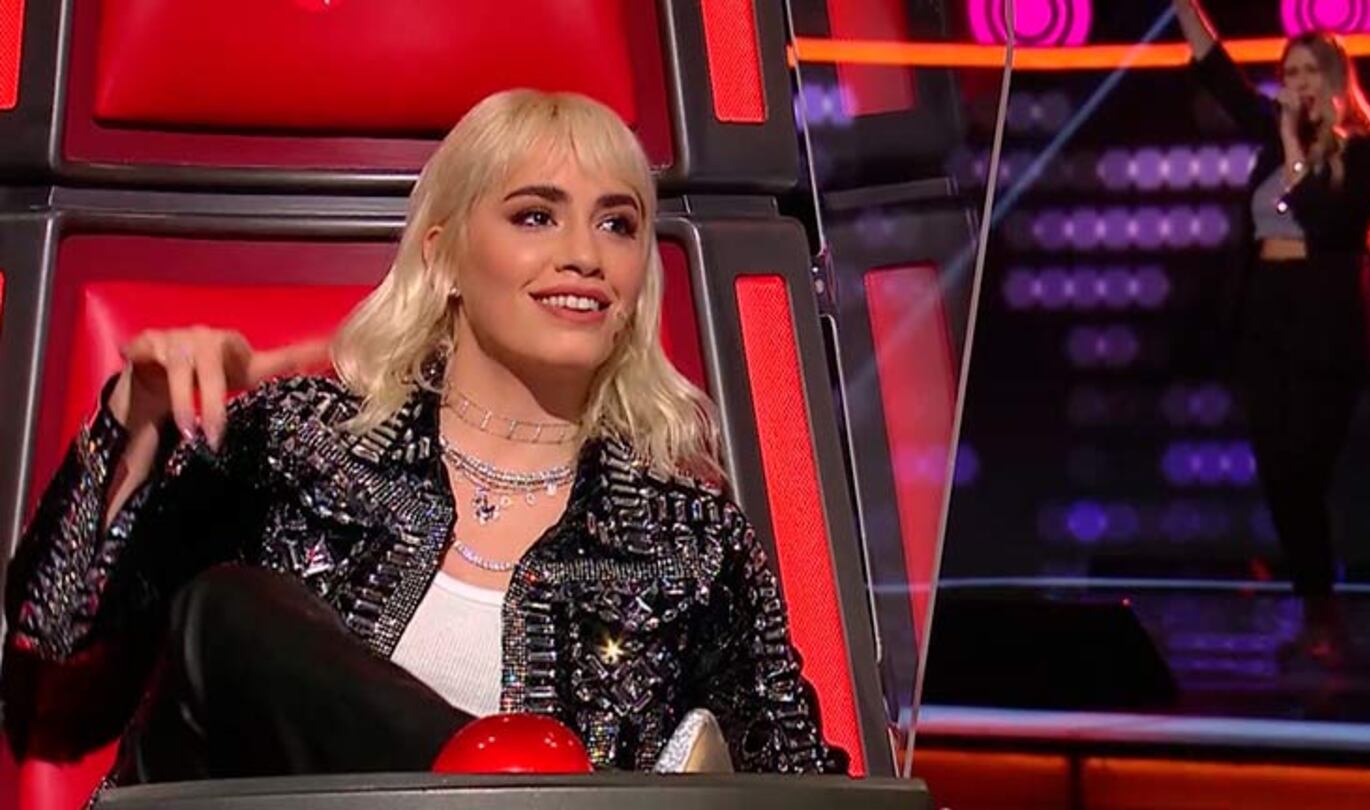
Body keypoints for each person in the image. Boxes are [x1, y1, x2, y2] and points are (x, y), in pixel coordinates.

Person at [2, 89, 846, 794]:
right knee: (226, 611)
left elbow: (801, 782)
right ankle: (532, 793)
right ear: (443, 257)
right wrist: (134, 419)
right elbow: (52, 643)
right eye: (536, 215)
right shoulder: (300, 443)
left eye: (617, 225)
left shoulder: (687, 539)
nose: (585, 255)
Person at [1173, 0, 1370, 661]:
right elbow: (1219, 72)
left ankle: (1323, 609)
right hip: (1264, 319)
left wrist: (1298, 154)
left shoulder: (1368, 152)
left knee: (1304, 470)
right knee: (1276, 472)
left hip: (1325, 327)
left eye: (1307, 71)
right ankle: (1317, 613)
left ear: (1333, 78)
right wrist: (1184, 6)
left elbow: (1328, 224)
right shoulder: (1274, 134)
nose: (1294, 83)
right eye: (1288, 71)